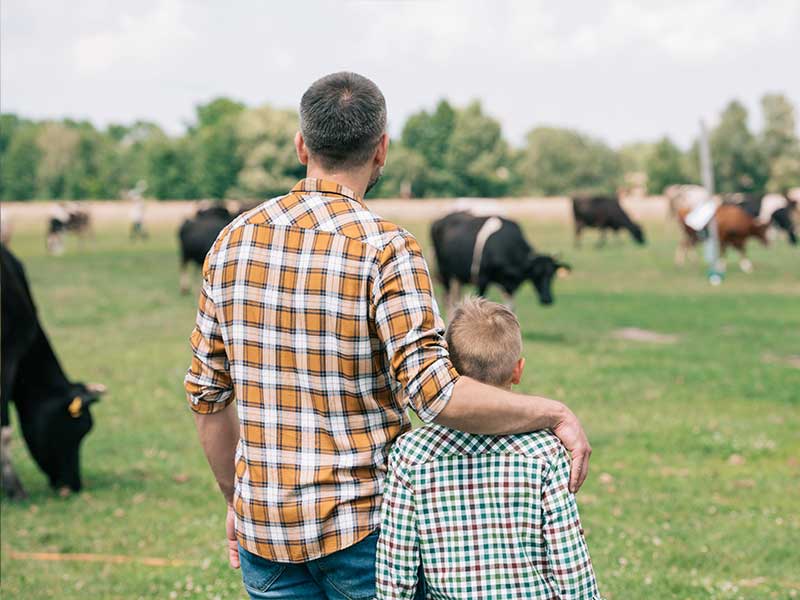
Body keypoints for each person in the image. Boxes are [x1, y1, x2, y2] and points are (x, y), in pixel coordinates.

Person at [185, 71, 592, 599]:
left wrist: (235, 500)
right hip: (366, 537)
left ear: (301, 144)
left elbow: (206, 396)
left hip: (266, 534)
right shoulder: (387, 249)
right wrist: (553, 413)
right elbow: (435, 393)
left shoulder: (230, 242)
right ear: (382, 149)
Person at [377, 297, 601, 599]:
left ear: (449, 369)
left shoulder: (411, 454)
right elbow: (569, 561)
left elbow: (396, 563)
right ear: (518, 371)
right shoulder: (546, 452)